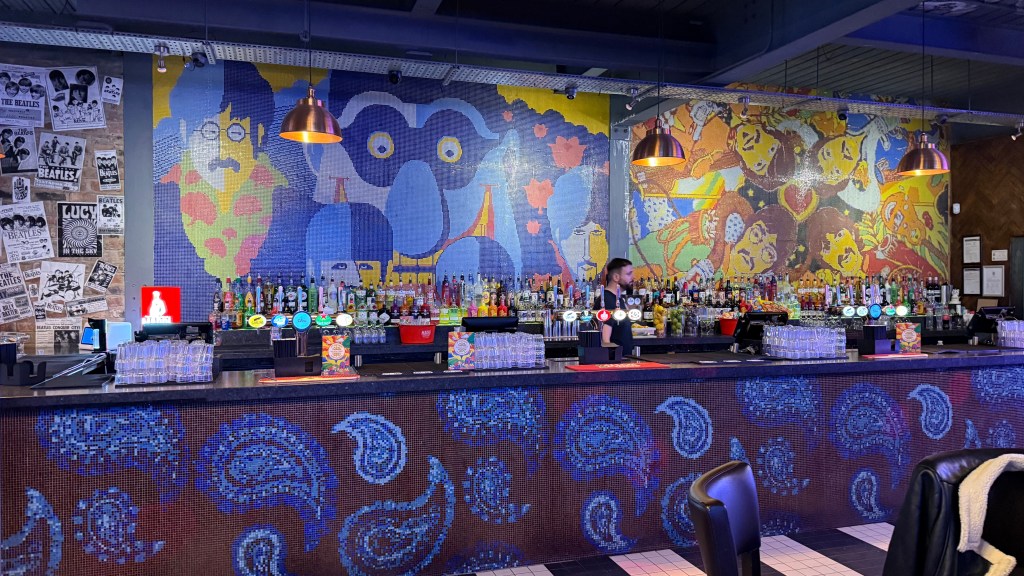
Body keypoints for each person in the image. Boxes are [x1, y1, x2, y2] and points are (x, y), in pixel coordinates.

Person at [599, 257, 634, 354]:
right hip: (615, 360)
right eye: (629, 274)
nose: (632, 277)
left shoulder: (617, 299)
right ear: (616, 277)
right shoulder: (608, 301)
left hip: (622, 359)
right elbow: (605, 341)